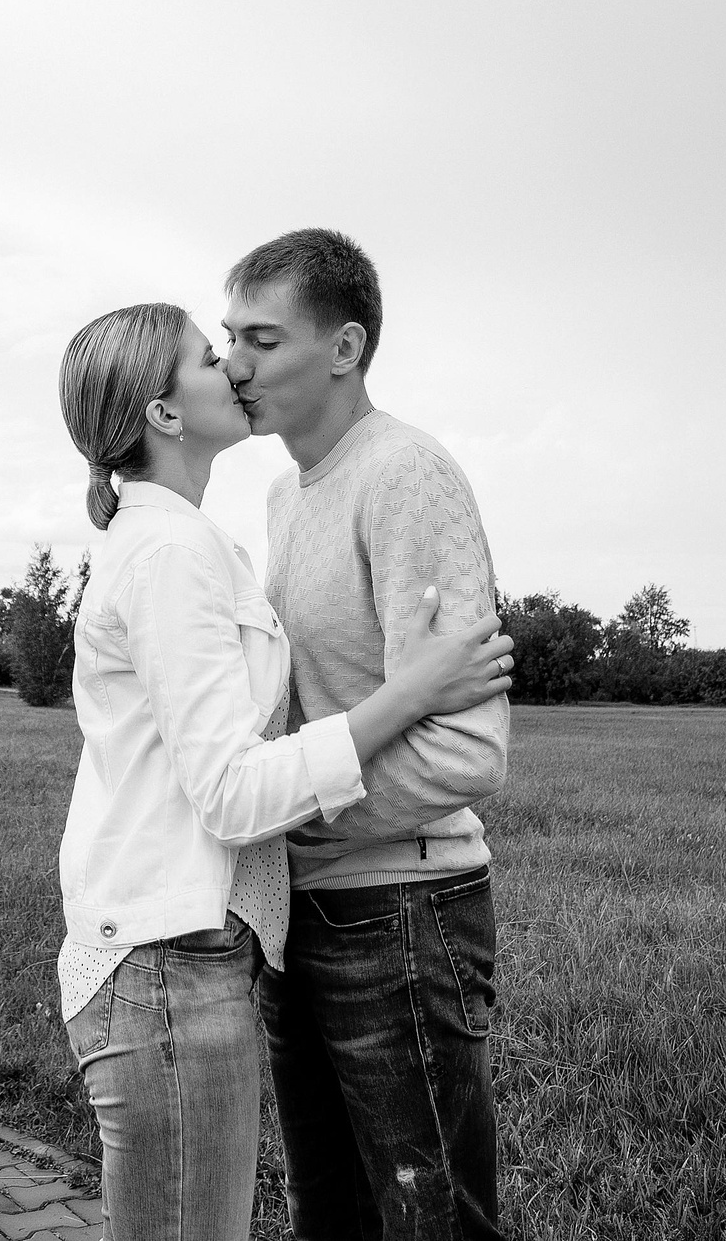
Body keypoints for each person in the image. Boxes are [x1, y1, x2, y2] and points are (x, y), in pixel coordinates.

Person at [56, 302, 515, 1241]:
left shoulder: (190, 538)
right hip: (167, 966)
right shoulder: (174, 548)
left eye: (250, 341)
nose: (229, 364)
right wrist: (411, 689)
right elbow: (230, 791)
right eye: (207, 352)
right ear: (165, 415)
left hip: (195, 955)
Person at [221, 228, 512, 1241]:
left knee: (432, 1224)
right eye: (228, 339)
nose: (233, 365)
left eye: (261, 339)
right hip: (298, 919)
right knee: (325, 1222)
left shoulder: (404, 478)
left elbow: (468, 750)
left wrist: (300, 824)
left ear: (342, 349)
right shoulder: (280, 494)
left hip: (401, 916)